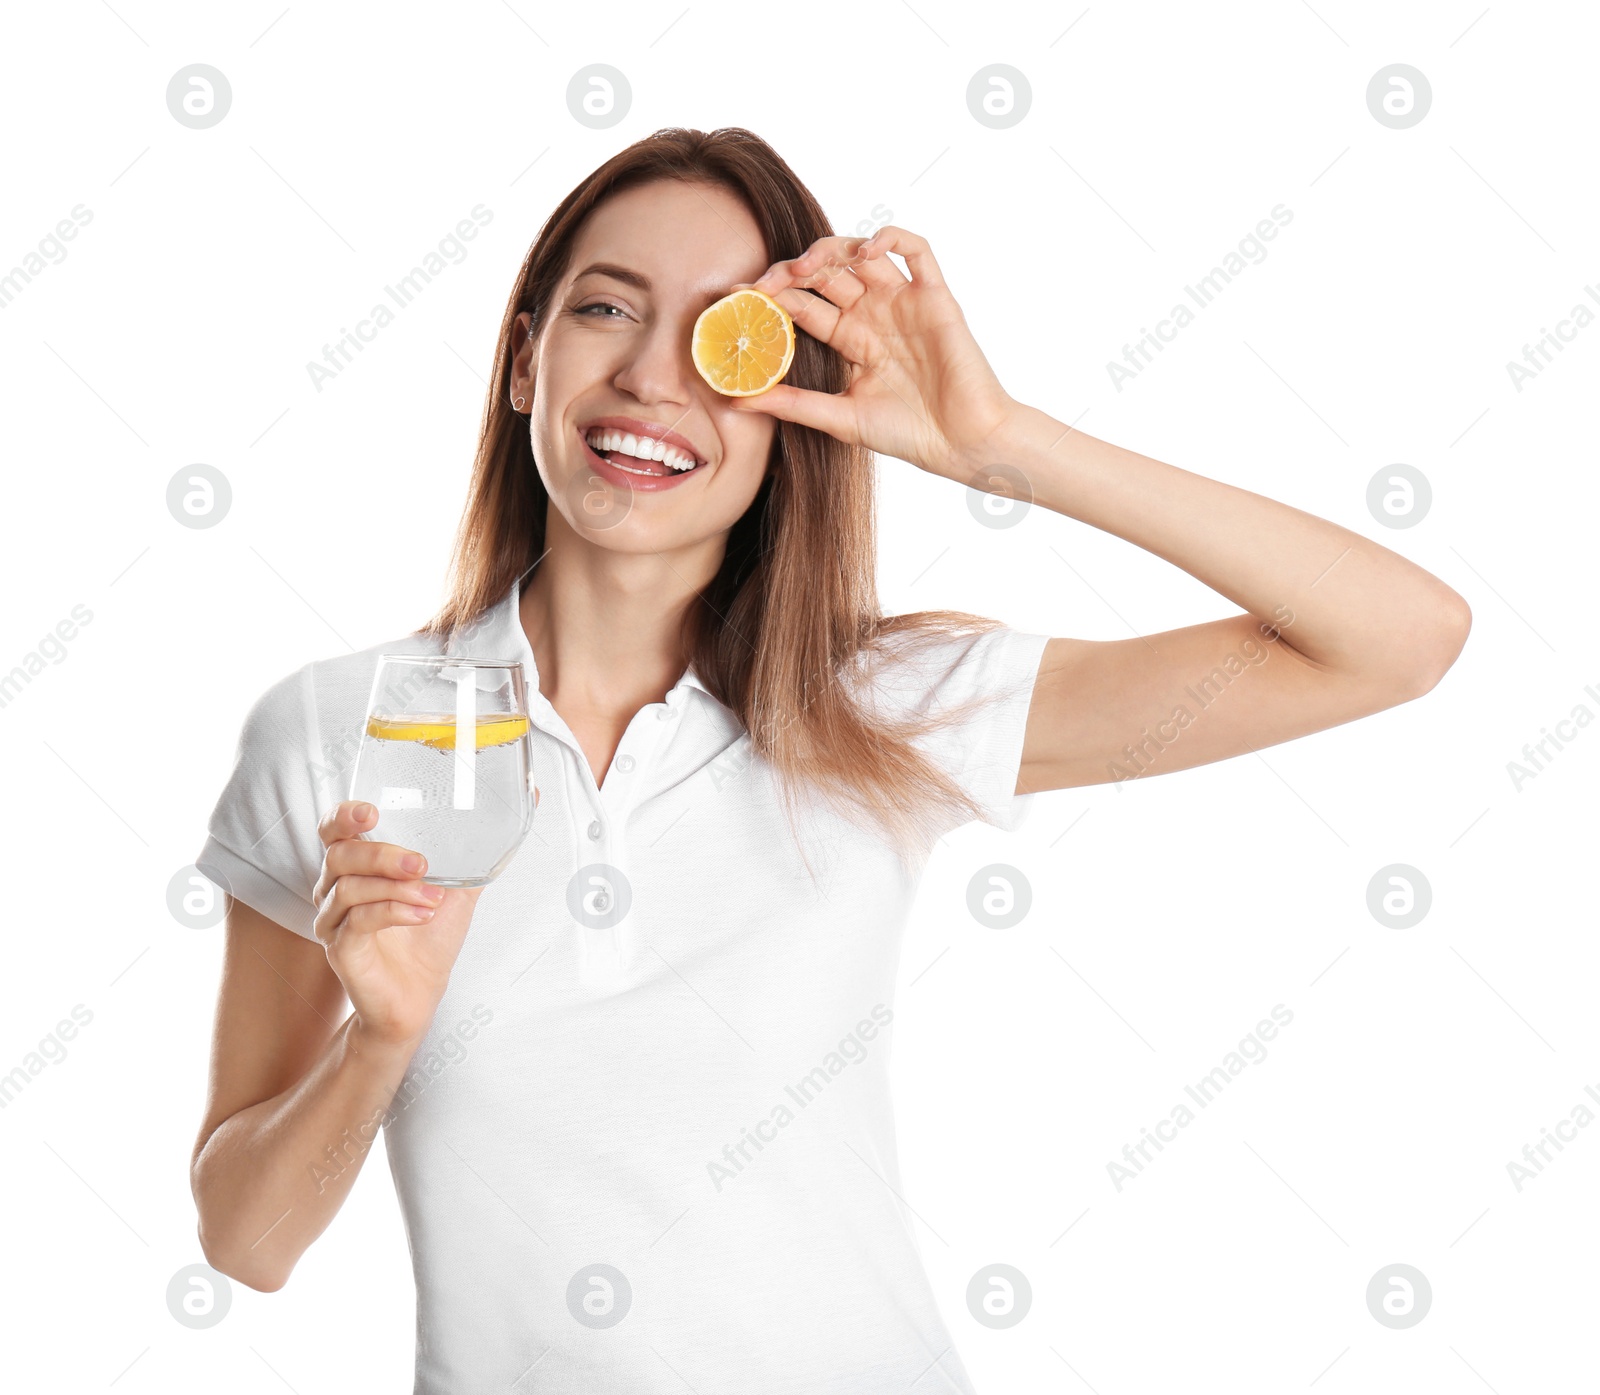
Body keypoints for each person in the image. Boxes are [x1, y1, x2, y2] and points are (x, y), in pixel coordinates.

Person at [189, 127, 1469, 1392]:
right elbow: (246, 1241)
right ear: (525, 360)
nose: (648, 377)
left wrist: (1002, 445)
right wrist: (381, 1036)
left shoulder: (883, 704)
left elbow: (1399, 641)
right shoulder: (336, 729)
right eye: (603, 309)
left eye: (717, 338)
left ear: (786, 402)